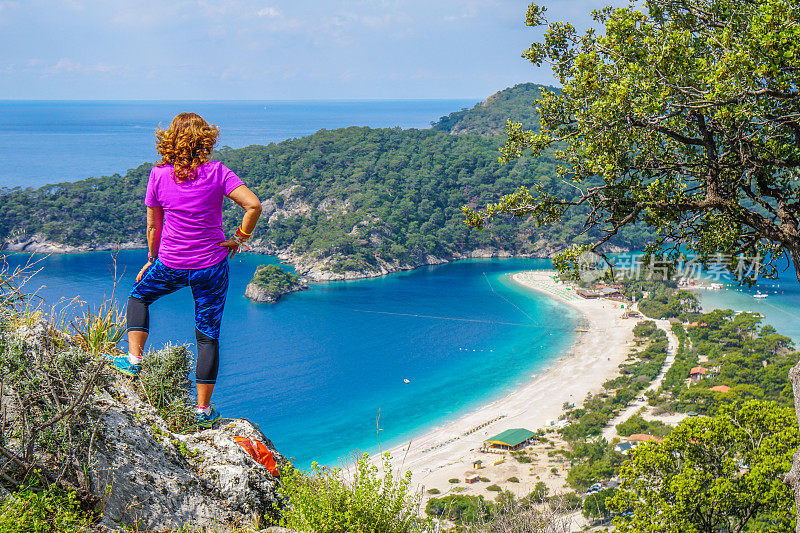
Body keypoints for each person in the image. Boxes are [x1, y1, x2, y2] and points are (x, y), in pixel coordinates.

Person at [105, 112, 262, 425]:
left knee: (138, 297)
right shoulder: (218, 172)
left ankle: (134, 359)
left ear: (169, 141)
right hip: (212, 265)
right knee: (207, 336)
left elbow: (154, 224)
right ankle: (202, 411)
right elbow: (254, 205)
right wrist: (238, 239)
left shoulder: (158, 175)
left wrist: (151, 258)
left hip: (172, 263)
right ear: (206, 139)